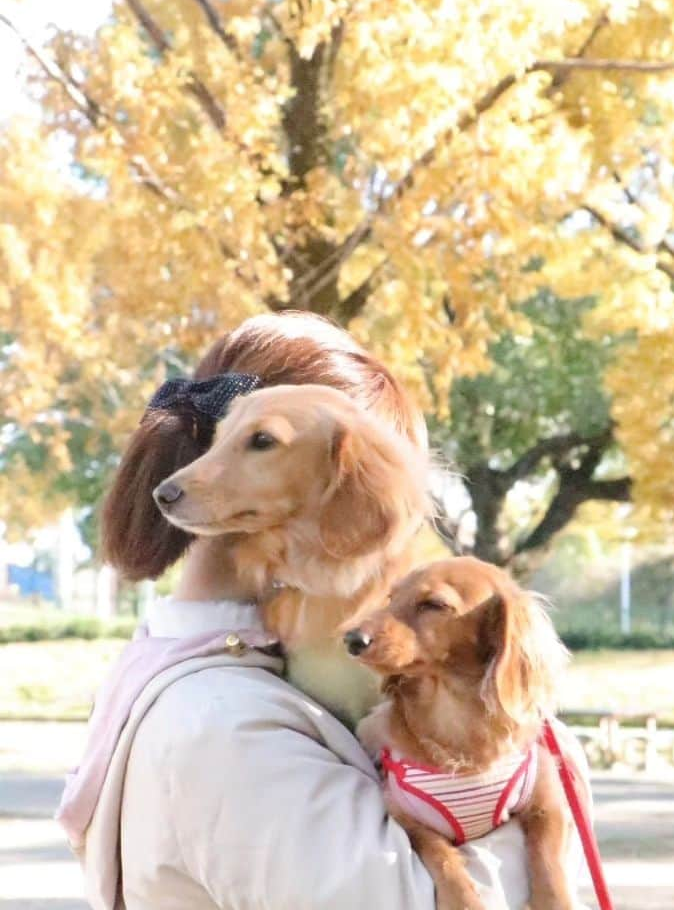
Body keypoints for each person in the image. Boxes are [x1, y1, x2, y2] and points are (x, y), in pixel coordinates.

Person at [57, 311, 587, 910]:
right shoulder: (228, 724)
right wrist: (544, 788)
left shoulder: (229, 675)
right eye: (389, 491)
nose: (404, 525)